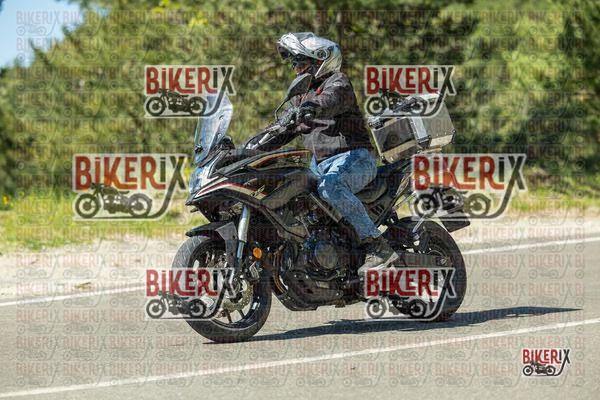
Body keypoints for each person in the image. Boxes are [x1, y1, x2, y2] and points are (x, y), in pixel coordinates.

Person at [254, 32, 399, 272]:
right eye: (294, 65)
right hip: (319, 166)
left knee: (330, 186)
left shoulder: (338, 83)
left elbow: (331, 100)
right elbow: (280, 131)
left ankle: (377, 245)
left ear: (321, 61)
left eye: (301, 63)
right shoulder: (301, 98)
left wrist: (312, 107)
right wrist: (247, 149)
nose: (296, 70)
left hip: (356, 159)